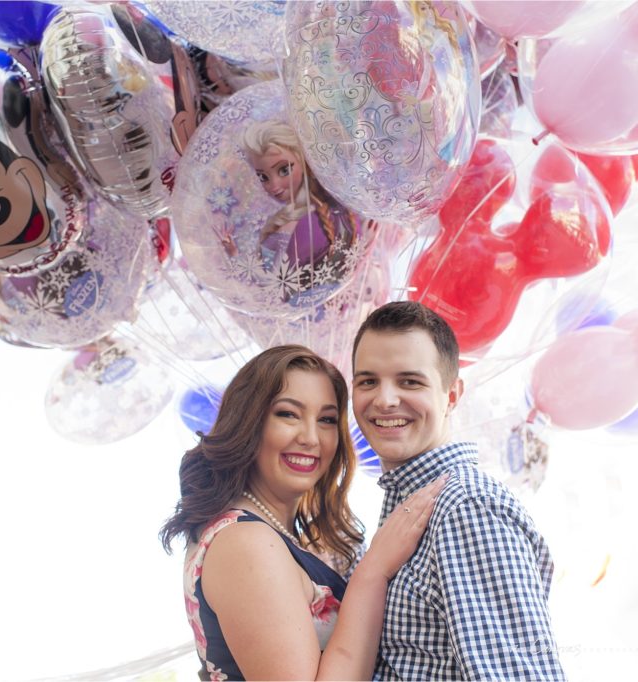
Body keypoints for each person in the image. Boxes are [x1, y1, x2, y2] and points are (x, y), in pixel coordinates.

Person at [160, 345, 447, 680]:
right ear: (248, 421)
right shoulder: (246, 542)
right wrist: (375, 571)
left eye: (326, 420)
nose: (311, 438)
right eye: (288, 414)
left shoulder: (272, 534)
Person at [350, 301, 566, 680]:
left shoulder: (465, 507)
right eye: (368, 381)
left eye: (409, 381)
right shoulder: (413, 500)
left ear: (452, 395)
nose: (384, 400)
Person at [241, 121, 358, 278]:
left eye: (284, 170)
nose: (274, 186)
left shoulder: (302, 224)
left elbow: (274, 284)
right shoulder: (334, 210)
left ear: (304, 161)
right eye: (263, 177)